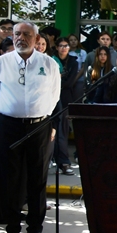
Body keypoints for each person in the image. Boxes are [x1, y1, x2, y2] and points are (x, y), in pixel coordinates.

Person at [0, 22, 60, 233]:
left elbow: (54, 96)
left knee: (38, 178)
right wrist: (12, 111)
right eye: (17, 34)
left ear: (36, 38)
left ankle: (35, 230)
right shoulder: (0, 63)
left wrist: (38, 114)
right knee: (11, 179)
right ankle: (12, 230)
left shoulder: (48, 64)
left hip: (39, 126)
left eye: (26, 34)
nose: (20, 38)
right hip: (9, 126)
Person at [52, 37, 79, 174]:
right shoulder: (51, 60)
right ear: (57, 47)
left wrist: (57, 80)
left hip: (65, 98)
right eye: (61, 45)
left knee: (62, 131)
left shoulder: (73, 62)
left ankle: (64, 162)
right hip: (50, 98)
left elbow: (69, 83)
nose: (64, 48)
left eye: (66, 46)